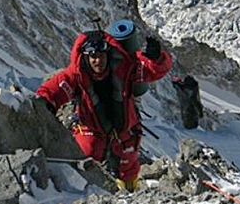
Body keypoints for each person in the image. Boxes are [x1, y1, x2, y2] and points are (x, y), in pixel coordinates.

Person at [36, 29, 172, 192]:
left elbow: (154, 71)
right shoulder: (76, 75)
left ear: (108, 55)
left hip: (124, 129)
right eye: (93, 56)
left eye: (101, 55)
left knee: (128, 166)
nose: (98, 60)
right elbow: (55, 89)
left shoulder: (126, 67)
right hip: (91, 130)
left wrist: (155, 58)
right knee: (85, 158)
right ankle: (92, 195)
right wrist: (45, 103)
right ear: (85, 57)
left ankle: (131, 194)